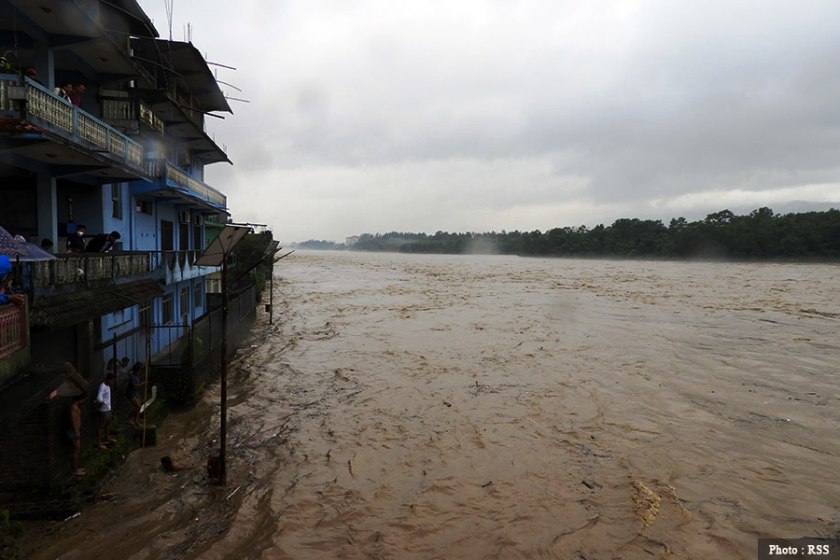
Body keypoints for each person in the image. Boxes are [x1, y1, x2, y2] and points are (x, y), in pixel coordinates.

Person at [95, 372, 116, 449]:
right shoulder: (102, 386)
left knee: (108, 424)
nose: (113, 382)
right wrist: (102, 402)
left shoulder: (108, 386)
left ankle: (107, 437)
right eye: (112, 380)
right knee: (101, 426)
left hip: (108, 409)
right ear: (108, 379)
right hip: (104, 410)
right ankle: (99, 443)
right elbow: (99, 398)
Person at [67, 394, 85, 476]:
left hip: (73, 430)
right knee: (76, 450)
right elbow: (74, 419)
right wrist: (76, 431)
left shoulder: (74, 407)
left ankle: (75, 468)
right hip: (74, 431)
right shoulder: (73, 407)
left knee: (74, 450)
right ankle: (75, 470)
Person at [126, 362, 146, 428]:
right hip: (131, 393)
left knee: (139, 407)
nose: (139, 372)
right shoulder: (132, 377)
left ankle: (136, 420)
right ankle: (130, 418)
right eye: (139, 371)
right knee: (137, 406)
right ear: (136, 371)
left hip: (136, 393)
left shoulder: (137, 377)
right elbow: (135, 386)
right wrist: (144, 383)